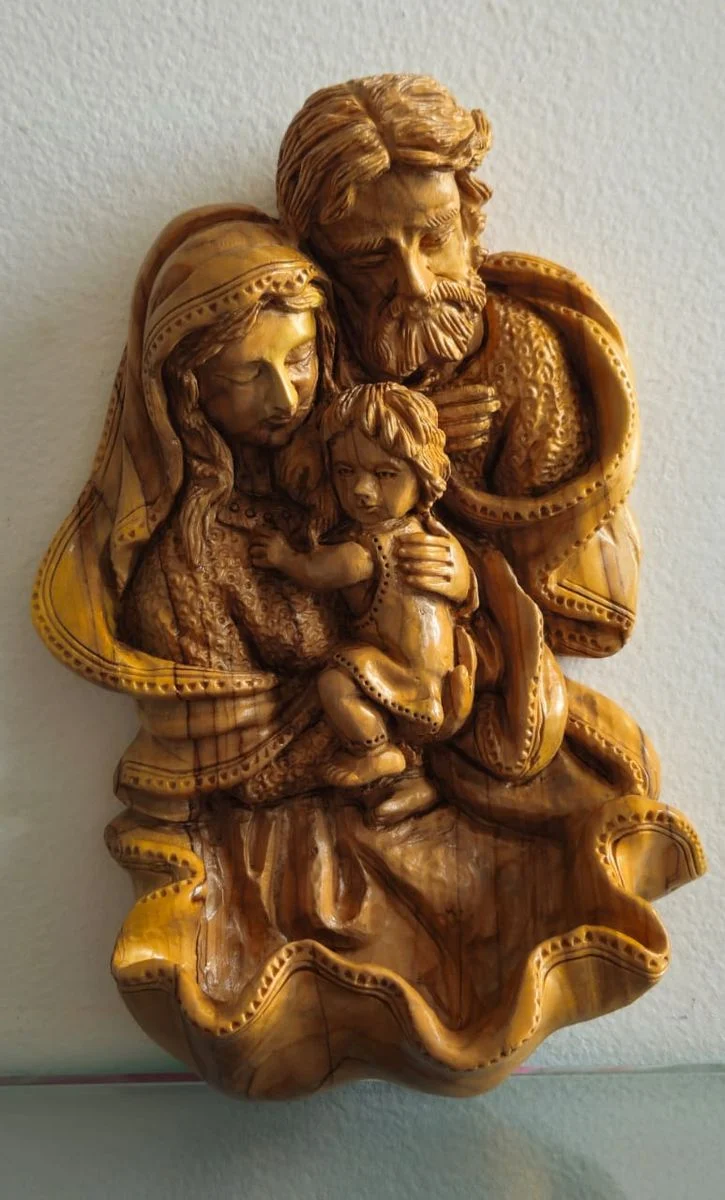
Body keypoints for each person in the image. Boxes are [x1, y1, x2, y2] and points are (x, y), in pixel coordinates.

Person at [277, 74, 641, 657]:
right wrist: (395, 433)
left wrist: (466, 573)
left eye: (434, 237)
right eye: (370, 258)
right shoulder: (303, 357)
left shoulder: (526, 359)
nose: (415, 284)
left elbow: (580, 604)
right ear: (323, 263)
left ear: (471, 222)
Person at [249, 382, 477, 794]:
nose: (361, 490)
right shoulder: (422, 530)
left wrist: (284, 557)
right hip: (440, 684)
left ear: (422, 476)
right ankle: (404, 756)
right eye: (345, 472)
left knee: (336, 682)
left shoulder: (369, 548)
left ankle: (376, 749)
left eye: (384, 474)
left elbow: (321, 572)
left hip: (406, 683)